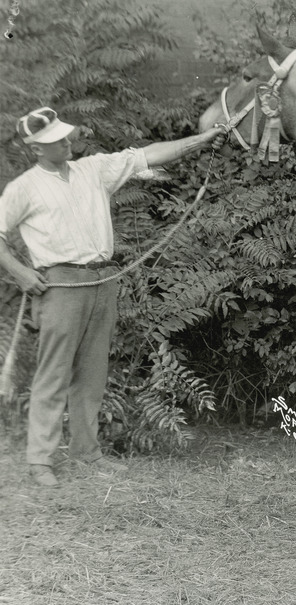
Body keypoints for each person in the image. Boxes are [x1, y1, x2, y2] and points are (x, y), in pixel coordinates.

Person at [0, 106, 225, 487]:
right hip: (59, 285)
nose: (66, 142)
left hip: (103, 280)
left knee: (92, 374)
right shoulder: (22, 188)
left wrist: (201, 140)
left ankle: (86, 453)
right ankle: (41, 460)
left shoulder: (93, 169)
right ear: (37, 148)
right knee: (53, 373)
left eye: (65, 136)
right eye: (56, 140)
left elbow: (149, 154)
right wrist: (21, 273)